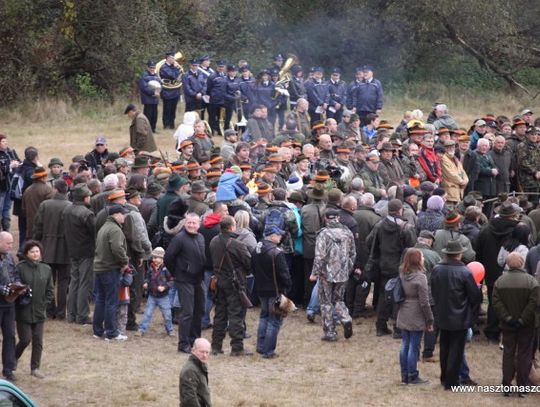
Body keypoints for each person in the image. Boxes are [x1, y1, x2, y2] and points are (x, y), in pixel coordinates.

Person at [431, 240, 481, 390]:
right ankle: (451, 382)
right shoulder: (465, 272)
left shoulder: (437, 269)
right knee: (456, 350)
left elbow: (434, 290)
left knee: (444, 348)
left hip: (442, 315)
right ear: (459, 254)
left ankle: (445, 377)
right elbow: (475, 297)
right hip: (460, 317)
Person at [367, 199, 416, 337]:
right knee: (401, 297)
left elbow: (369, 242)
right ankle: (398, 328)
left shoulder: (379, 225)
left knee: (384, 294)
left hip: (384, 265)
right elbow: (412, 249)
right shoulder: (406, 227)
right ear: (400, 210)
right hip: (402, 266)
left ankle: (381, 326)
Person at [492, 252, 539, 395]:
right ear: (522, 263)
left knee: (508, 353)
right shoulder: (532, 282)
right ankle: (522, 387)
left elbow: (496, 302)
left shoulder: (500, 282)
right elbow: (534, 303)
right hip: (527, 325)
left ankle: (506, 385)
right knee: (524, 355)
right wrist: (523, 319)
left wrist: (507, 318)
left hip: (507, 325)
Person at [309, 208, 356, 342]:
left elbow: (319, 256)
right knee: (339, 299)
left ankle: (330, 332)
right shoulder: (348, 232)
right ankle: (346, 319)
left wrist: (314, 273)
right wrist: (347, 268)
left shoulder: (323, 234)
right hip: (343, 273)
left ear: (326, 219)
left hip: (326, 274)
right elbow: (353, 253)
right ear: (338, 218)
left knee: (326, 302)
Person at [209, 216, 252, 356]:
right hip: (235, 284)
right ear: (232, 227)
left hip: (219, 282)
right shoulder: (238, 244)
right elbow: (248, 263)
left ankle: (216, 346)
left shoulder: (214, 241)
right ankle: (237, 348)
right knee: (236, 316)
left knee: (220, 315)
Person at [476, 201, 519, 342]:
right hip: (511, 273)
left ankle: (492, 330)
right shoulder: (517, 231)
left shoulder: (485, 230)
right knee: (511, 303)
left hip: (490, 273)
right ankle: (507, 330)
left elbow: (479, 254)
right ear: (512, 215)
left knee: (493, 303)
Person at [164, 213, 206, 353]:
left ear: (199, 224)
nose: (192, 225)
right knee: (187, 312)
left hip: (198, 279)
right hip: (184, 279)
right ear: (185, 223)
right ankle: (183, 344)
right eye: (189, 223)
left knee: (199, 310)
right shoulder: (179, 238)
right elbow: (168, 257)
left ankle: (195, 340)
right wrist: (177, 273)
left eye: (194, 223)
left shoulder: (200, 237)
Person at [32, 179, 71, 320]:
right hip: (65, 250)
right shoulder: (70, 206)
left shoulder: (45, 205)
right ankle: (61, 313)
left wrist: (35, 244)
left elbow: (38, 227)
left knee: (48, 281)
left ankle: (50, 311)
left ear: (55, 189)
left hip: (47, 247)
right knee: (63, 282)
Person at [14, 240, 54, 379]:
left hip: (39, 311)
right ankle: (12, 361)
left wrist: (45, 304)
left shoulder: (46, 269)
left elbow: (50, 290)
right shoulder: (20, 268)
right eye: (32, 252)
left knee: (38, 341)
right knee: (25, 339)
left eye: (37, 251)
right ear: (26, 253)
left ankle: (35, 367)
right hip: (23, 311)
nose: (35, 254)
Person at [92, 204, 130, 341]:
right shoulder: (115, 229)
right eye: (123, 213)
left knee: (101, 300)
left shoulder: (104, 227)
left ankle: (97, 331)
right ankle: (112, 332)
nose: (125, 216)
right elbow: (117, 248)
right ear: (116, 214)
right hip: (110, 269)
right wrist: (125, 261)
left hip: (100, 268)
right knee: (111, 301)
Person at [396, 248, 434, 385]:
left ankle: (404, 374)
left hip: (404, 311)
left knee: (405, 344)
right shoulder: (420, 277)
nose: (423, 258)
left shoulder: (402, 273)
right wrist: (429, 319)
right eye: (422, 256)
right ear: (417, 260)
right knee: (414, 346)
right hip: (416, 313)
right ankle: (412, 375)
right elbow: (424, 302)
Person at [63, 183, 95, 324]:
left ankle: (71, 314)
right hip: (85, 252)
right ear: (85, 197)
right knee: (84, 283)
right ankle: (82, 315)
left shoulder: (67, 209)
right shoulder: (86, 213)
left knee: (74, 281)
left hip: (72, 250)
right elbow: (94, 232)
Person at [137, 247, 174, 336]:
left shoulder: (166, 269)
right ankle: (141, 329)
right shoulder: (151, 268)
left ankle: (170, 329)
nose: (155, 260)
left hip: (163, 297)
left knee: (167, 315)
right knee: (147, 313)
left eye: (157, 258)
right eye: (153, 258)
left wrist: (165, 287)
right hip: (152, 296)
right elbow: (148, 278)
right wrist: (146, 283)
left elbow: (172, 281)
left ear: (162, 259)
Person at [0, 232, 20, 381]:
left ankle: (8, 369)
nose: (11, 246)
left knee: (10, 336)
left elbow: (15, 275)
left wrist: (19, 286)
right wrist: (3, 289)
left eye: (12, 243)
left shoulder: (9, 257)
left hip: (9, 304)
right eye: (8, 243)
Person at [179, 337, 212, 407]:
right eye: (202, 352)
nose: (205, 355)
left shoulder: (200, 366)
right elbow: (190, 399)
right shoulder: (190, 370)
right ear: (193, 350)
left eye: (207, 352)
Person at [0, 135, 20, 232]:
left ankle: (6, 229)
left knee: (7, 208)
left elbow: (20, 162)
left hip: (10, 185)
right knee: (0, 207)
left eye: (6, 141)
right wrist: (10, 166)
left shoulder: (11, 152)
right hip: (1, 186)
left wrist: (17, 164)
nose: (5, 143)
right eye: (3, 141)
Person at [160, 51, 182, 129]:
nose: (174, 60)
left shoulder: (174, 66)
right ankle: (166, 125)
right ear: (168, 58)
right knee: (167, 109)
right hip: (167, 91)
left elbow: (179, 76)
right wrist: (176, 68)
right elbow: (172, 76)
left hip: (175, 91)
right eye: (172, 58)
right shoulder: (164, 67)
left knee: (173, 109)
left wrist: (177, 70)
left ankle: (172, 124)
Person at [138, 60, 161, 133]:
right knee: (148, 115)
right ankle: (147, 130)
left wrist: (159, 91)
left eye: (153, 67)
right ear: (147, 67)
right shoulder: (144, 76)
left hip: (155, 99)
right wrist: (153, 92)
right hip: (147, 99)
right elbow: (144, 88)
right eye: (151, 67)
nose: (152, 69)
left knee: (155, 115)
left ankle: (153, 129)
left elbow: (160, 85)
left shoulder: (157, 75)